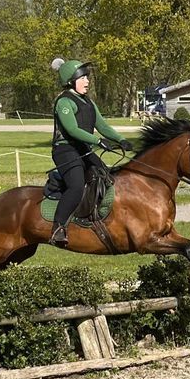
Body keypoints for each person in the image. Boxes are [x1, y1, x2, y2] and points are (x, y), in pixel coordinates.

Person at [48, 58, 133, 247]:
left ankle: (94, 217)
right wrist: (98, 141)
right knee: (77, 186)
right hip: (65, 150)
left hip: (82, 149)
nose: (87, 81)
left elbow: (102, 125)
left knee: (107, 177)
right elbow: (72, 130)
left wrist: (121, 139)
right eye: (83, 78)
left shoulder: (88, 102)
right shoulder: (64, 102)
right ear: (71, 80)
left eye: (87, 77)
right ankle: (58, 228)